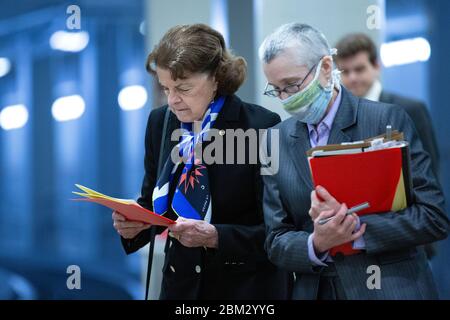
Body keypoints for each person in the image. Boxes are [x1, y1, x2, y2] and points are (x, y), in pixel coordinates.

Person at [258, 23, 449, 299]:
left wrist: (352, 230)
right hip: (318, 289)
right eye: (276, 90)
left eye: (292, 85)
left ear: (325, 67)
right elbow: (275, 240)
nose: (286, 98)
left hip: (390, 286)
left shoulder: (386, 120)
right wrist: (316, 242)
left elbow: (432, 217)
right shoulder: (275, 139)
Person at [112, 24, 292, 300]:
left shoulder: (260, 127)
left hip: (245, 288)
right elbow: (154, 205)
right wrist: (136, 223)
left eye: (183, 88)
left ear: (217, 79)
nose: (172, 100)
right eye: (165, 88)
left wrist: (216, 236)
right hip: (181, 285)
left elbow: (278, 232)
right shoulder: (161, 122)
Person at [334, 33, 440, 180]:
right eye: (345, 71)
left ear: (377, 66)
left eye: (359, 69)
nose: (352, 78)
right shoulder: (336, 117)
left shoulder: (410, 109)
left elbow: (430, 170)